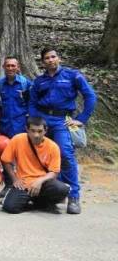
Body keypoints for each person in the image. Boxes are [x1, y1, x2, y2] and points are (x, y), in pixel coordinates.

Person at [29, 47, 97, 214]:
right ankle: (53, 196)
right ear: (43, 62)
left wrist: (81, 119)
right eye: (47, 58)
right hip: (43, 120)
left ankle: (73, 197)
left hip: (63, 120)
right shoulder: (39, 81)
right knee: (43, 156)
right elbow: (32, 102)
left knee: (65, 154)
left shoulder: (72, 75)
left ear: (58, 58)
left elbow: (90, 96)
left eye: (53, 57)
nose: (51, 60)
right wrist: (35, 121)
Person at [1, 117, 70, 214]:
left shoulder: (53, 146)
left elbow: (54, 172)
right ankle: (38, 204)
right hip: (24, 183)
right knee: (10, 207)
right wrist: (14, 179)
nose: (36, 135)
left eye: (40, 131)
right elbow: (5, 160)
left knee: (62, 189)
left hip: (43, 183)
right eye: (32, 131)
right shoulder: (17, 139)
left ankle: (41, 202)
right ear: (27, 129)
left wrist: (40, 181)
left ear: (45, 131)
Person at [0, 56, 31, 198]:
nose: (10, 68)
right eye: (7, 66)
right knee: (5, 157)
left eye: (13, 66)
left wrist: (30, 126)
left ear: (18, 67)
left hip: (21, 126)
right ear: (3, 67)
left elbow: (30, 105)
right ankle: (8, 184)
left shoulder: (25, 84)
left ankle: (23, 184)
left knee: (22, 156)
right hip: (5, 126)